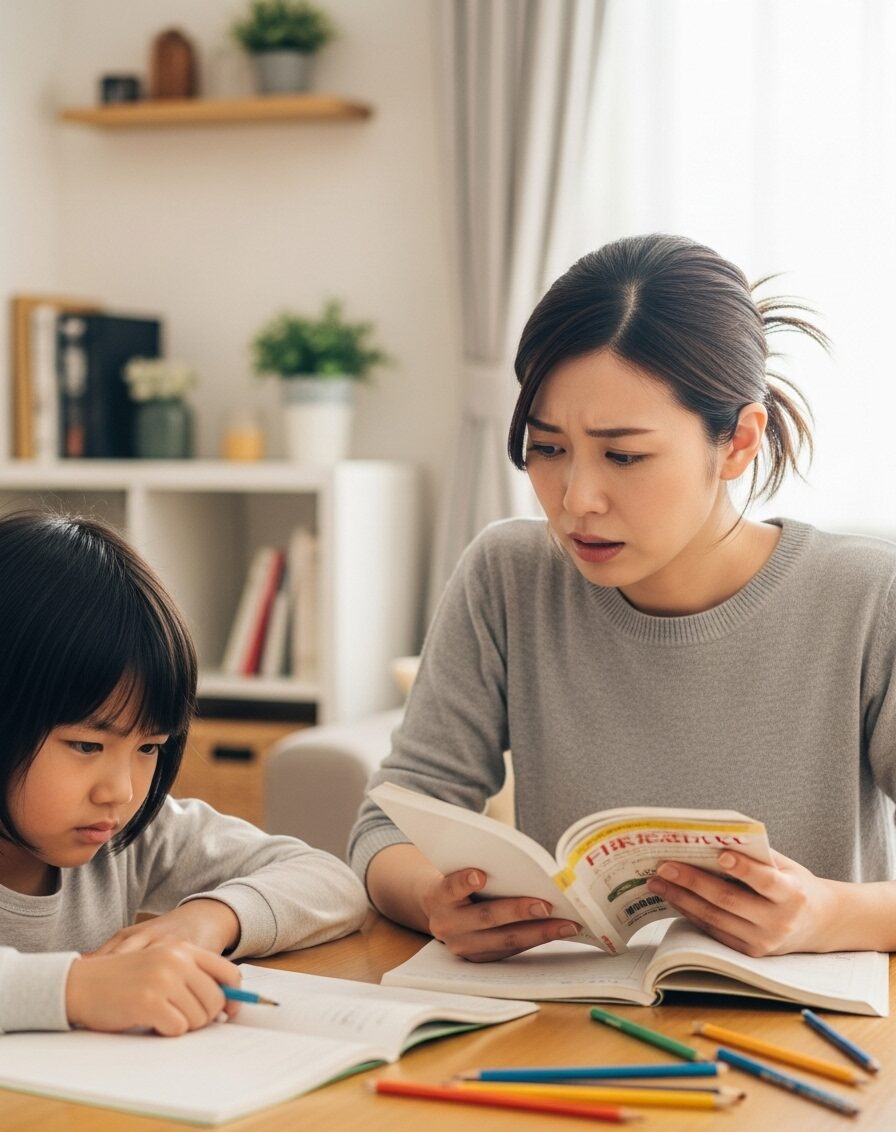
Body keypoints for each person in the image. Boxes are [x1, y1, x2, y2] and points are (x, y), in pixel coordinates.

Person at [350, 232, 896, 963]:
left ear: (738, 442)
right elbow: (387, 826)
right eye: (547, 448)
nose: (577, 498)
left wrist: (828, 916)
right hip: (567, 1016)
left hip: (803, 1023)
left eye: (624, 455)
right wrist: (434, 899)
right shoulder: (508, 576)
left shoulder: (866, 598)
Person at [0, 510, 368, 1036]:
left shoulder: (129, 837)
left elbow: (332, 883)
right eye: (86, 745)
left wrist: (210, 919)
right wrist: (73, 989)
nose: (121, 791)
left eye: (149, 747)